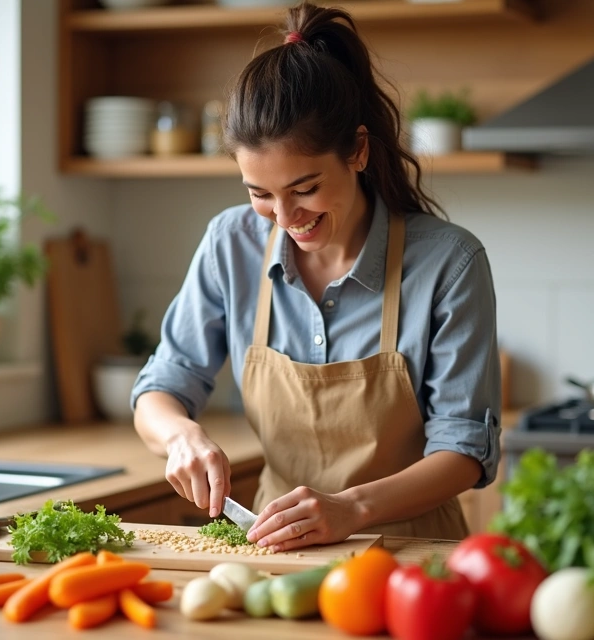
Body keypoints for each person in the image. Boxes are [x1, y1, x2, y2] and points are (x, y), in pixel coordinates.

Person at [131, 1, 500, 552]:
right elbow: (159, 389)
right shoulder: (231, 243)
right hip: (278, 553)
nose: (285, 218)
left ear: (357, 150)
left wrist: (351, 508)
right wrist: (180, 435)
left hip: (414, 559)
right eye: (260, 194)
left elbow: (466, 453)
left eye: (304, 189)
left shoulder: (450, 262)